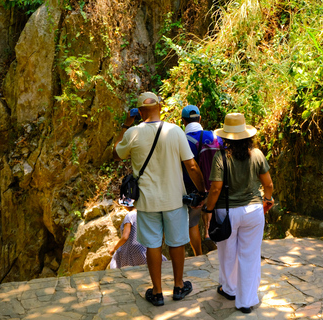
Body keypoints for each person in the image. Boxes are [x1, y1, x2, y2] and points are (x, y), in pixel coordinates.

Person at [113, 92, 207, 307]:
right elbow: (191, 166)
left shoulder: (133, 133)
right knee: (176, 243)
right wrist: (201, 192)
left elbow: (116, 153)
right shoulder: (174, 131)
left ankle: (156, 292)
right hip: (174, 199)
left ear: (139, 111)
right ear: (160, 106)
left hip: (147, 202)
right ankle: (178, 286)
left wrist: (126, 124)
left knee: (153, 246)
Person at [201, 113, 274, 314]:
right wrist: (267, 201)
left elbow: (215, 189)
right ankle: (245, 301)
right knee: (249, 255)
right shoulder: (257, 155)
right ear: (247, 135)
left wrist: (208, 209)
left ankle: (230, 289)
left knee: (227, 253)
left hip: (227, 212)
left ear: (225, 137)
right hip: (253, 211)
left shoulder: (221, 156)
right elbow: (268, 184)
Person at [181, 105, 223, 255]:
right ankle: (219, 249)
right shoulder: (214, 136)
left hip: (192, 190)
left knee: (192, 224)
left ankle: (198, 254)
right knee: (217, 216)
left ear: (183, 122)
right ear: (200, 119)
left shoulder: (182, 140)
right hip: (214, 186)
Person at [109, 202, 167, 269]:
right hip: (144, 249)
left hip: (131, 251)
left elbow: (125, 237)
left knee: (116, 263)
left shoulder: (129, 215)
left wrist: (114, 248)